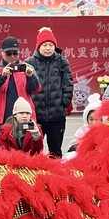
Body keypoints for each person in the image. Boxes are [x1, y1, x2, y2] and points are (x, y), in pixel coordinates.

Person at [26, 27, 74, 158]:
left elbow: (68, 83)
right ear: (38, 46)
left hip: (56, 116)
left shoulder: (61, 61)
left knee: (55, 152)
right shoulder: (30, 63)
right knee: (33, 152)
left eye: (51, 45)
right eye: (45, 45)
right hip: (36, 117)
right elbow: (24, 86)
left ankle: (56, 177)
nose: (48, 48)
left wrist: (64, 102)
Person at [0, 36, 41, 144]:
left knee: (25, 146)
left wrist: (30, 77)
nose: (12, 56)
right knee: (3, 148)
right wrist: (1, 76)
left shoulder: (27, 67)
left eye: (15, 53)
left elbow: (36, 89)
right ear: (2, 53)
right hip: (2, 117)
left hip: (24, 116)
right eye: (9, 53)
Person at [65, 93, 102, 159]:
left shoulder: (107, 131)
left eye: (97, 119)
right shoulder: (83, 131)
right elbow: (72, 146)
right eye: (91, 119)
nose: (93, 122)